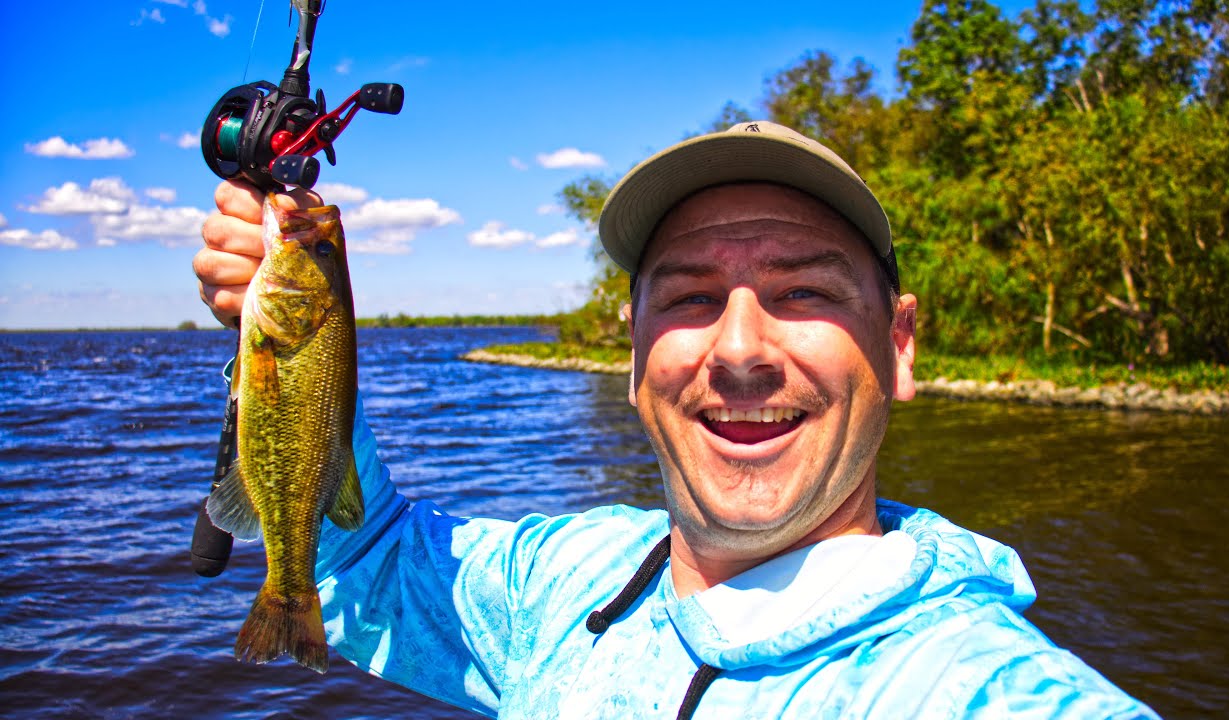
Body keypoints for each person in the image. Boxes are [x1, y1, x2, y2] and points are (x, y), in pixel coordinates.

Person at [195, 121, 1159, 718]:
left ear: (899, 346)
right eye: (692, 297)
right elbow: (362, 566)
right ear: (633, 352)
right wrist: (268, 349)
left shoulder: (970, 689)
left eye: (805, 292)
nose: (738, 350)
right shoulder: (560, 585)